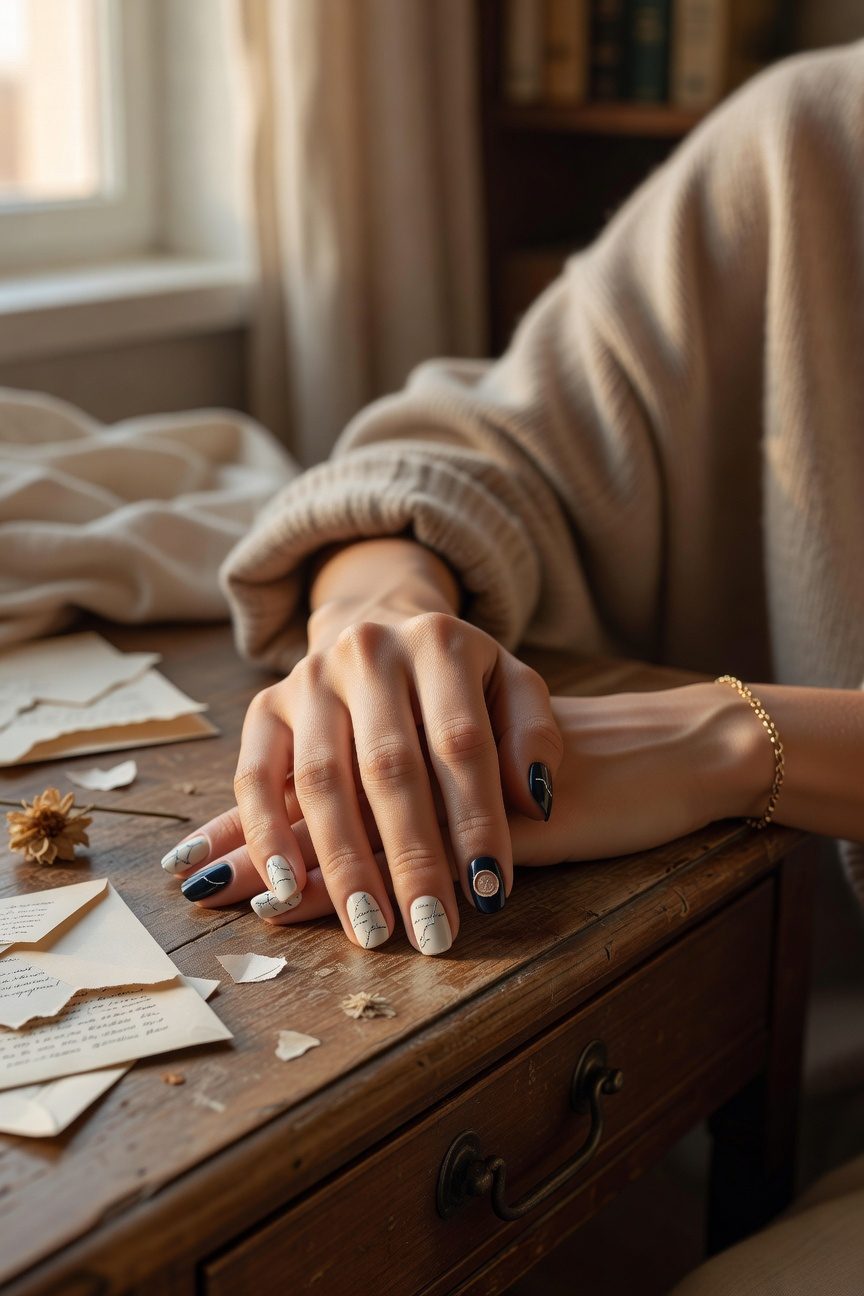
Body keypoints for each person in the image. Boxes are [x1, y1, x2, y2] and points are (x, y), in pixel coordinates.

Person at [162, 41, 864, 961]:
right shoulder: (814, 138)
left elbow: (721, 746)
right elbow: (476, 448)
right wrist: (383, 622)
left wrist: (725, 742)